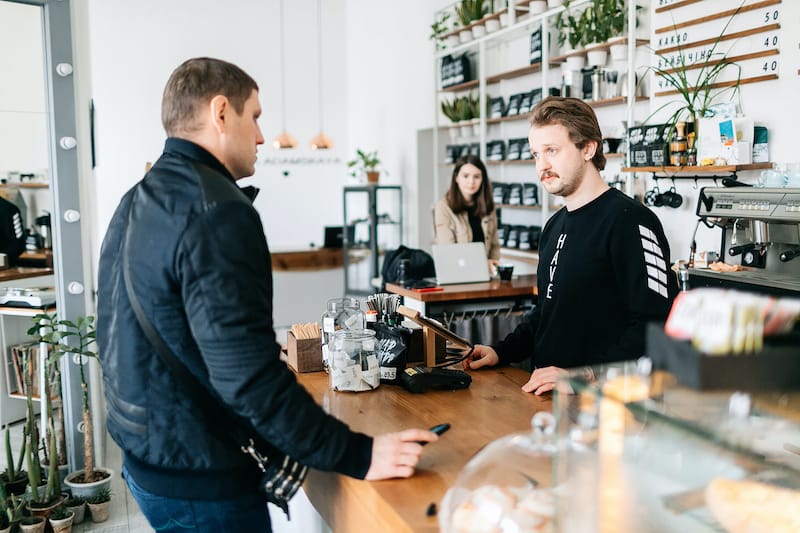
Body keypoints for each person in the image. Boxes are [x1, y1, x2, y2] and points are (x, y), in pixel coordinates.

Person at [96, 57, 438, 532]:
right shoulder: (218, 210)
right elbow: (247, 378)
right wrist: (360, 454)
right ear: (221, 113)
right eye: (254, 116)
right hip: (202, 479)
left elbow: (118, 328)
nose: (260, 136)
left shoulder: (136, 197)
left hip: (145, 461)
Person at [463, 97, 678, 395]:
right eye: (536, 154)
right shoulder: (554, 226)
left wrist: (584, 376)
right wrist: (501, 351)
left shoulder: (631, 220)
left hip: (603, 403)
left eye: (552, 150)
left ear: (588, 148)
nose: (542, 165)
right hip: (544, 395)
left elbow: (655, 324)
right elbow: (546, 313)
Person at [434, 155, 501, 274]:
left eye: (477, 176)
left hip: (485, 275)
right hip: (457, 274)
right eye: (466, 176)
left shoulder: (489, 206)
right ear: (456, 178)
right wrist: (482, 263)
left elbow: (494, 244)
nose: (471, 182)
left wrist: (493, 264)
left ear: (483, 179)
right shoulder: (443, 208)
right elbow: (448, 251)